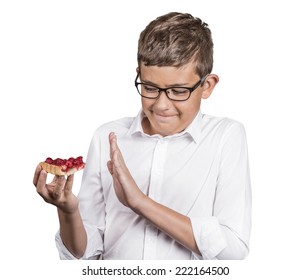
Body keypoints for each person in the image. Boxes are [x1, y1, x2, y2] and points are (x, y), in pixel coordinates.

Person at [33, 12, 251, 260]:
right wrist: (68, 211)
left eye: (178, 91)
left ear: (207, 86)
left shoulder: (225, 137)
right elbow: (86, 256)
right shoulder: (107, 136)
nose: (161, 105)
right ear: (139, 74)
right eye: (149, 88)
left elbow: (232, 249)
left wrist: (139, 202)